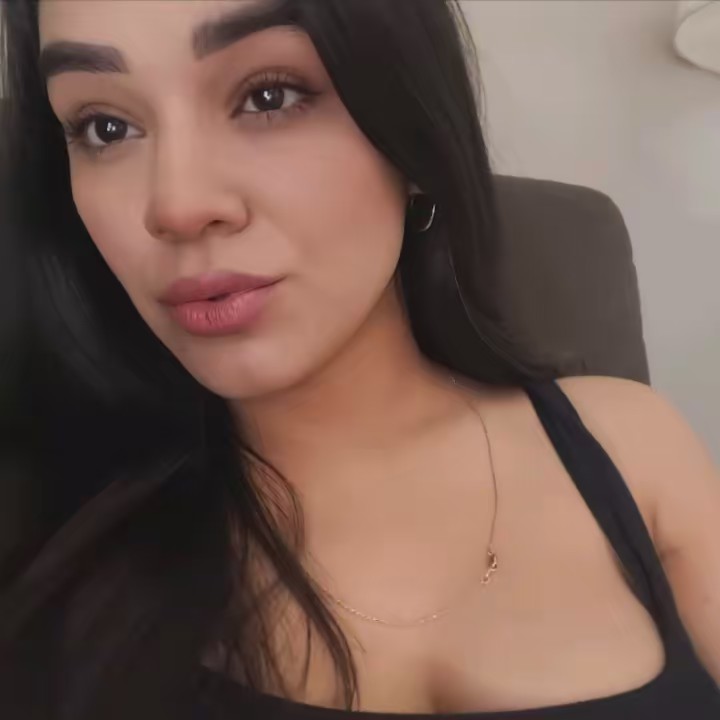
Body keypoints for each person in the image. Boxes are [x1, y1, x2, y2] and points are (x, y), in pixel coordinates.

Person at [0, 1, 718, 718]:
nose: (177, 207)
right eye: (105, 127)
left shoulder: (628, 447)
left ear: (414, 134)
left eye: (268, 96)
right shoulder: (55, 532)